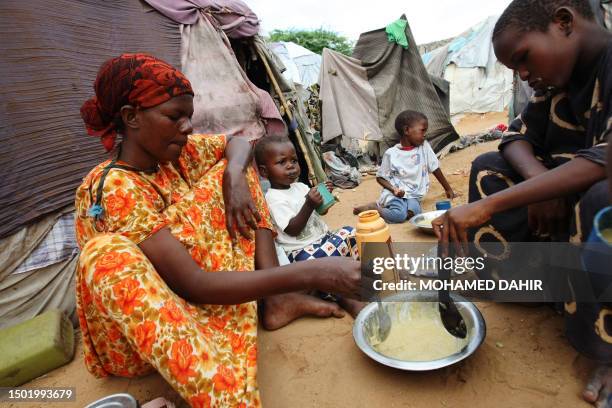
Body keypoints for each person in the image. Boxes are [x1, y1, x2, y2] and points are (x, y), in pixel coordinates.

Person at [74, 53, 362, 407]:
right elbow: (193, 283)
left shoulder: (176, 154)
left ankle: (276, 301)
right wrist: (314, 272)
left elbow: (240, 144)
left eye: (188, 117)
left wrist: (234, 175)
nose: (187, 128)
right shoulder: (114, 188)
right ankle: (223, 393)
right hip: (147, 336)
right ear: (131, 117)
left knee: (233, 171)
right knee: (104, 254)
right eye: (174, 117)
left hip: (193, 298)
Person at [431, 1, 611, 406]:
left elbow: (606, 158)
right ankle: (525, 284)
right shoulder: (557, 84)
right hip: (567, 187)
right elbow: (515, 139)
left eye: (523, 59)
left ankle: (605, 348)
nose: (523, 75)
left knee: (604, 201)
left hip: (599, 192)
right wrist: (541, 183)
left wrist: (494, 206)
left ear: (563, 22)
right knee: (488, 168)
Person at [255, 135, 364, 315]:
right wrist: (309, 204)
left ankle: (346, 279)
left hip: (323, 241)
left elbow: (320, 212)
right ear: (264, 172)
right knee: (331, 252)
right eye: (282, 162)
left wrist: (324, 198)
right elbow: (293, 229)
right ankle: (341, 292)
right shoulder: (273, 199)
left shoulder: (301, 187)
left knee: (350, 233)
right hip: (302, 255)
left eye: (294, 160)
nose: (290, 166)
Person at [353, 110, 456, 223]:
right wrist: (394, 189)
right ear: (407, 130)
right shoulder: (391, 154)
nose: (425, 134)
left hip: (413, 195)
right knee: (399, 216)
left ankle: (390, 209)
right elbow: (380, 177)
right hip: (395, 194)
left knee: (415, 213)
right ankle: (374, 208)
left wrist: (448, 188)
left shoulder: (424, 147)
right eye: (422, 130)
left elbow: (435, 168)